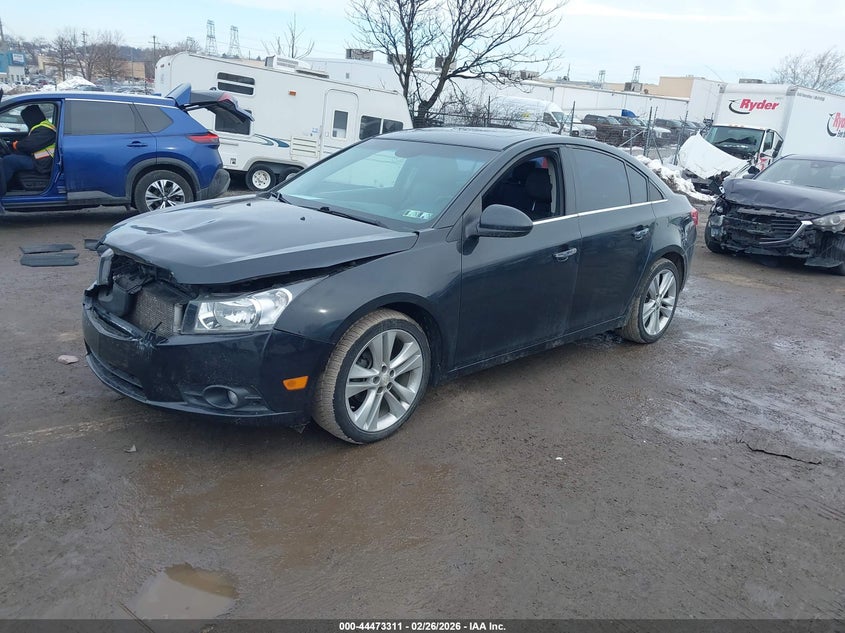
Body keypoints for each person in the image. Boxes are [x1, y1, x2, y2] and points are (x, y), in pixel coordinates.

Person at [0, 105, 57, 206]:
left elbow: (29, 145)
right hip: (40, 159)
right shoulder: (43, 127)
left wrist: (16, 145)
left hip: (43, 163)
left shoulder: (45, 129)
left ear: (31, 118)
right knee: (11, 158)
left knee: (8, 161)